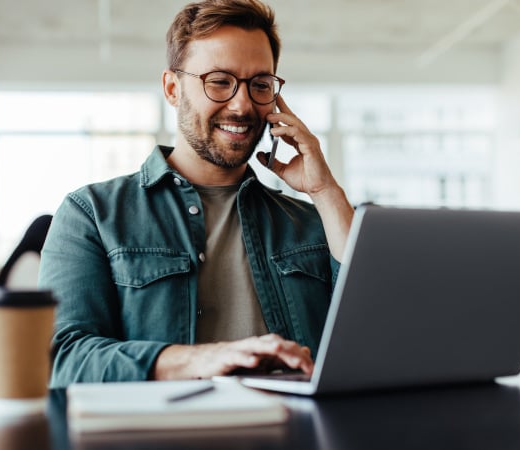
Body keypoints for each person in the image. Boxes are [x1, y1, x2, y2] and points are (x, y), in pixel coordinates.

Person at [39, 0, 354, 388]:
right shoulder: (91, 215)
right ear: (173, 89)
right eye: (219, 81)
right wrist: (204, 358)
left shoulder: (309, 223)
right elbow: (62, 360)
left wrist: (325, 192)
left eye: (259, 85)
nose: (242, 105)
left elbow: (375, 334)